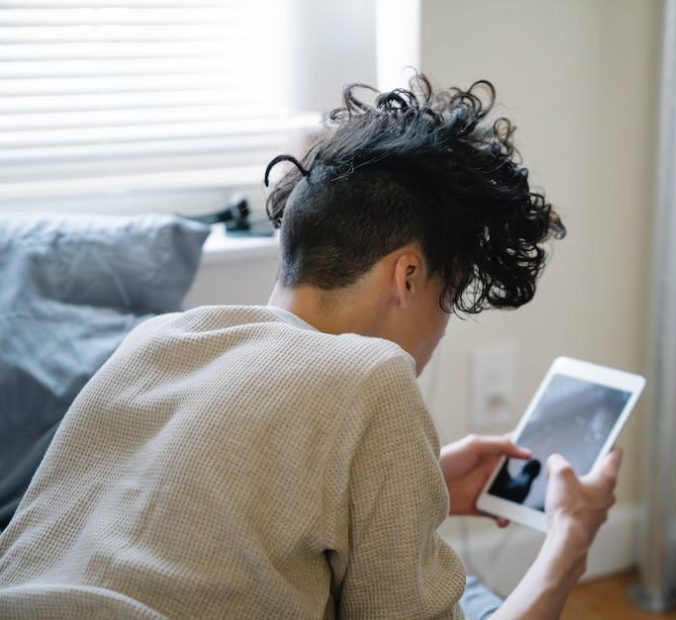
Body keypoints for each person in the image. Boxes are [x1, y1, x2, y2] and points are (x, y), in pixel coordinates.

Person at [0, 75, 621, 619]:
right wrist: (571, 538)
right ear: (407, 276)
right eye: (448, 296)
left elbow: (189, 524)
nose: (440, 327)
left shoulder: (158, 339)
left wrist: (418, 484)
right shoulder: (371, 376)